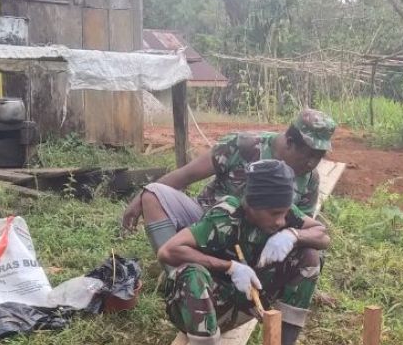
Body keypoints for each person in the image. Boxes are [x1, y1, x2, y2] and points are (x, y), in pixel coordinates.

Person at [158, 160, 330, 345]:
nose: (281, 220)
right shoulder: (225, 215)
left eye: (284, 213)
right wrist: (228, 267)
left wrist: (294, 235)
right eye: (274, 214)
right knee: (191, 275)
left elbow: (322, 235)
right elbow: (168, 250)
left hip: (248, 299)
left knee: (309, 256)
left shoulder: (281, 210)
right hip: (205, 307)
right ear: (252, 204)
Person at [123, 109, 337, 255]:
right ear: (290, 142)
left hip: (256, 245)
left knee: (309, 251)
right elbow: (186, 175)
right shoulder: (243, 146)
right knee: (154, 193)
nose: (312, 163)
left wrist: (292, 236)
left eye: (319, 156)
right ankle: (177, 270)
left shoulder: (309, 179)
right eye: (309, 155)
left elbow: (304, 225)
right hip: (206, 224)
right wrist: (141, 197)